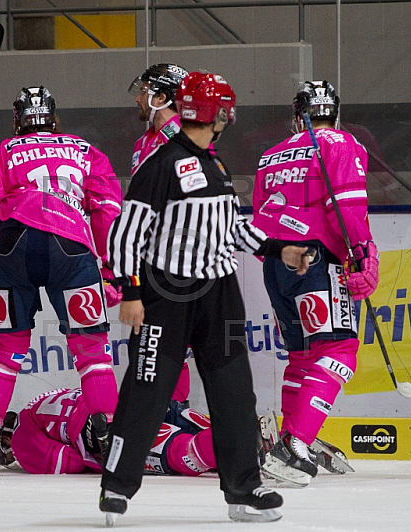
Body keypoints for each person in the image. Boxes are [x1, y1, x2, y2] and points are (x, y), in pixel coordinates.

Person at [100, 71, 311, 526]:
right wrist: (131, 293)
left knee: (236, 393)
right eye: (227, 109)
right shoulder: (160, 165)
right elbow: (125, 235)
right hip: (165, 294)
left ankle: (244, 487)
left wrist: (280, 248)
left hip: (220, 294)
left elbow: (232, 229)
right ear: (217, 114)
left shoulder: (215, 166)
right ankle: (117, 487)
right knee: (147, 389)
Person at [0, 86, 123, 478]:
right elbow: (107, 212)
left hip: (13, 244)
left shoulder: (4, 151)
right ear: (54, 118)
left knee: (5, 350)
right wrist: (107, 265)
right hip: (70, 245)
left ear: (18, 119)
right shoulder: (86, 150)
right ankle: (108, 442)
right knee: (91, 350)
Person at [252, 80, 377, 484]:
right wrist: (362, 254)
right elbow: (349, 206)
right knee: (340, 349)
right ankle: (296, 441)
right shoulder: (341, 144)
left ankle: (293, 436)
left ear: (297, 114)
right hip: (317, 259)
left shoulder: (270, 156)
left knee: (303, 355)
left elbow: (258, 221)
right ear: (334, 113)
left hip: (276, 264)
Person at [127, 62, 197, 402]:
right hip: (148, 255)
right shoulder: (145, 141)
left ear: (163, 96)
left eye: (144, 91)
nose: (139, 98)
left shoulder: (184, 135)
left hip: (174, 255)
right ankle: (159, 422)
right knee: (146, 346)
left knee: (167, 347)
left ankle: (173, 419)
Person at [4, 388, 216, 477]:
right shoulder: (41, 399)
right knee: (203, 425)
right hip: (125, 398)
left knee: (185, 452)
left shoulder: (20, 438)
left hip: (98, 428)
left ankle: (231, 449)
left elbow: (71, 463)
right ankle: (243, 435)